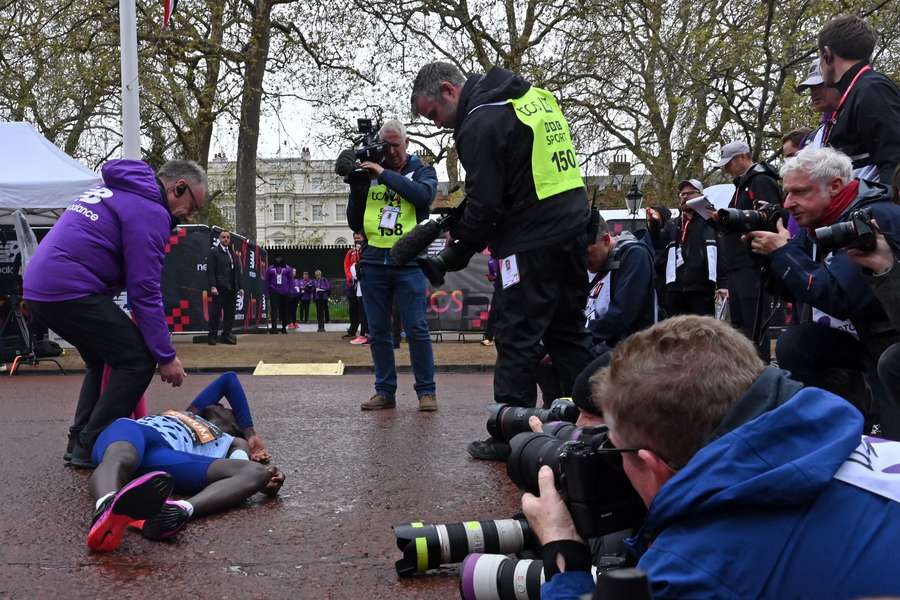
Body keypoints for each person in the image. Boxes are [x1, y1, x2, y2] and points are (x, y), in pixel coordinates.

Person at [523, 315, 900, 600]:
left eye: (613, 449)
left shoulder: (693, 568)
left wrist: (564, 556)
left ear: (652, 464)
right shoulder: (844, 436)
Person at [411, 62, 593, 457]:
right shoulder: (532, 98)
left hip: (531, 242)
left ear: (448, 90)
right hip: (573, 228)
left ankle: (511, 436)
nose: (439, 125)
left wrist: (457, 252)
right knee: (569, 333)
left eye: (434, 114)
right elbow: (521, 176)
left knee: (516, 336)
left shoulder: (479, 120)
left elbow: (487, 203)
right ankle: (589, 425)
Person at [24, 159, 205, 468]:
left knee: (101, 358)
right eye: (193, 205)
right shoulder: (151, 212)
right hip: (68, 288)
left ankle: (78, 440)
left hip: (40, 287)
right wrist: (165, 356)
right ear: (179, 187)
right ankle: (90, 442)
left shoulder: (112, 189)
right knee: (137, 360)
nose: (191, 214)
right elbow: (145, 290)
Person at [746, 146, 900, 437]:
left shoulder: (871, 216)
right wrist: (763, 253)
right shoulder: (818, 223)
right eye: (787, 193)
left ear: (836, 186)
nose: (788, 203)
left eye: (800, 192)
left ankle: (871, 425)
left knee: (893, 441)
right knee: (796, 344)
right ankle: (834, 423)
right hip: (863, 338)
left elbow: (839, 297)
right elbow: (795, 290)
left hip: (889, 343)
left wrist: (783, 252)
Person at [87, 372, 283, 552]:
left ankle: (176, 512)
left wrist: (252, 452)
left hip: (167, 456)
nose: (221, 405)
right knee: (124, 454)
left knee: (257, 472)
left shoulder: (231, 440)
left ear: (233, 424)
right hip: (135, 434)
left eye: (228, 409)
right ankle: (107, 506)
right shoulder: (190, 413)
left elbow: (242, 467)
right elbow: (228, 380)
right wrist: (251, 431)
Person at [342, 119, 438, 412]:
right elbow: (354, 221)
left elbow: (422, 196)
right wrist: (355, 181)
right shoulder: (369, 172)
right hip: (374, 261)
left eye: (397, 145)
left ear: (407, 143)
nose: (393, 151)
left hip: (408, 260)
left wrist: (383, 173)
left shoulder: (422, 170)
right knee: (379, 332)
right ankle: (385, 391)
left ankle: (426, 392)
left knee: (417, 328)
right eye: (388, 146)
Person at [715, 141, 782, 356]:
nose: (726, 169)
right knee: (741, 323)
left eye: (729, 163)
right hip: (738, 263)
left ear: (743, 157)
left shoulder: (760, 181)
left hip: (753, 263)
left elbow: (768, 217)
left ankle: (758, 368)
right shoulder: (741, 185)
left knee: (754, 322)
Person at [818, 15, 900, 182]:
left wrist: (885, 207)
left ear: (827, 54)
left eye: (820, 57)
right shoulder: (856, 92)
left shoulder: (872, 88)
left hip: (877, 206)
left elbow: (894, 159)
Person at [585, 213, 656, 356]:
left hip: (633, 351)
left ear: (605, 240)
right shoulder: (601, 260)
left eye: (587, 254)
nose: (583, 262)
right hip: (602, 344)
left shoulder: (634, 255)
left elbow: (621, 315)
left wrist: (580, 338)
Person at [648, 179, 720, 316]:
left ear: (701, 196)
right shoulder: (673, 224)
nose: (685, 196)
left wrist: (723, 284)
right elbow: (658, 245)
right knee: (676, 334)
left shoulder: (711, 222)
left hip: (702, 289)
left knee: (701, 333)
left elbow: (723, 253)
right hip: (675, 289)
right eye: (682, 194)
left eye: (690, 193)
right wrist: (654, 225)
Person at [206, 230, 243, 345]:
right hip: (219, 288)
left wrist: (240, 287)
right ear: (219, 239)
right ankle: (212, 336)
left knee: (229, 314)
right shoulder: (214, 252)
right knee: (215, 314)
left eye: (227, 237)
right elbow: (210, 271)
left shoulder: (232, 253)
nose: (226, 239)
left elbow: (237, 271)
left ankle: (226, 335)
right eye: (223, 237)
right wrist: (213, 286)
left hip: (231, 289)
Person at [795, 59, 841, 151]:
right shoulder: (812, 139)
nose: (814, 93)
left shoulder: (856, 118)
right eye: (811, 88)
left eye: (820, 85)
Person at [343, 233, 364, 339]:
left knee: (362, 307)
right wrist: (350, 277)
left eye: (358, 238)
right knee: (353, 308)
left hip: (362, 282)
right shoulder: (350, 252)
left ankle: (365, 331)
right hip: (352, 283)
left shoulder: (364, 251)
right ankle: (352, 330)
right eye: (355, 238)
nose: (357, 240)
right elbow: (346, 265)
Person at [266, 255, 292, 334]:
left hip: (285, 292)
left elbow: (291, 280)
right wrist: (268, 291)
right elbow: (267, 280)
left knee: (284, 310)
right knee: (274, 310)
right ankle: (274, 328)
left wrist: (290, 290)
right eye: (277, 258)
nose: (278, 260)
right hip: (274, 292)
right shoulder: (270, 268)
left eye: (280, 258)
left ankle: (284, 327)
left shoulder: (288, 268)